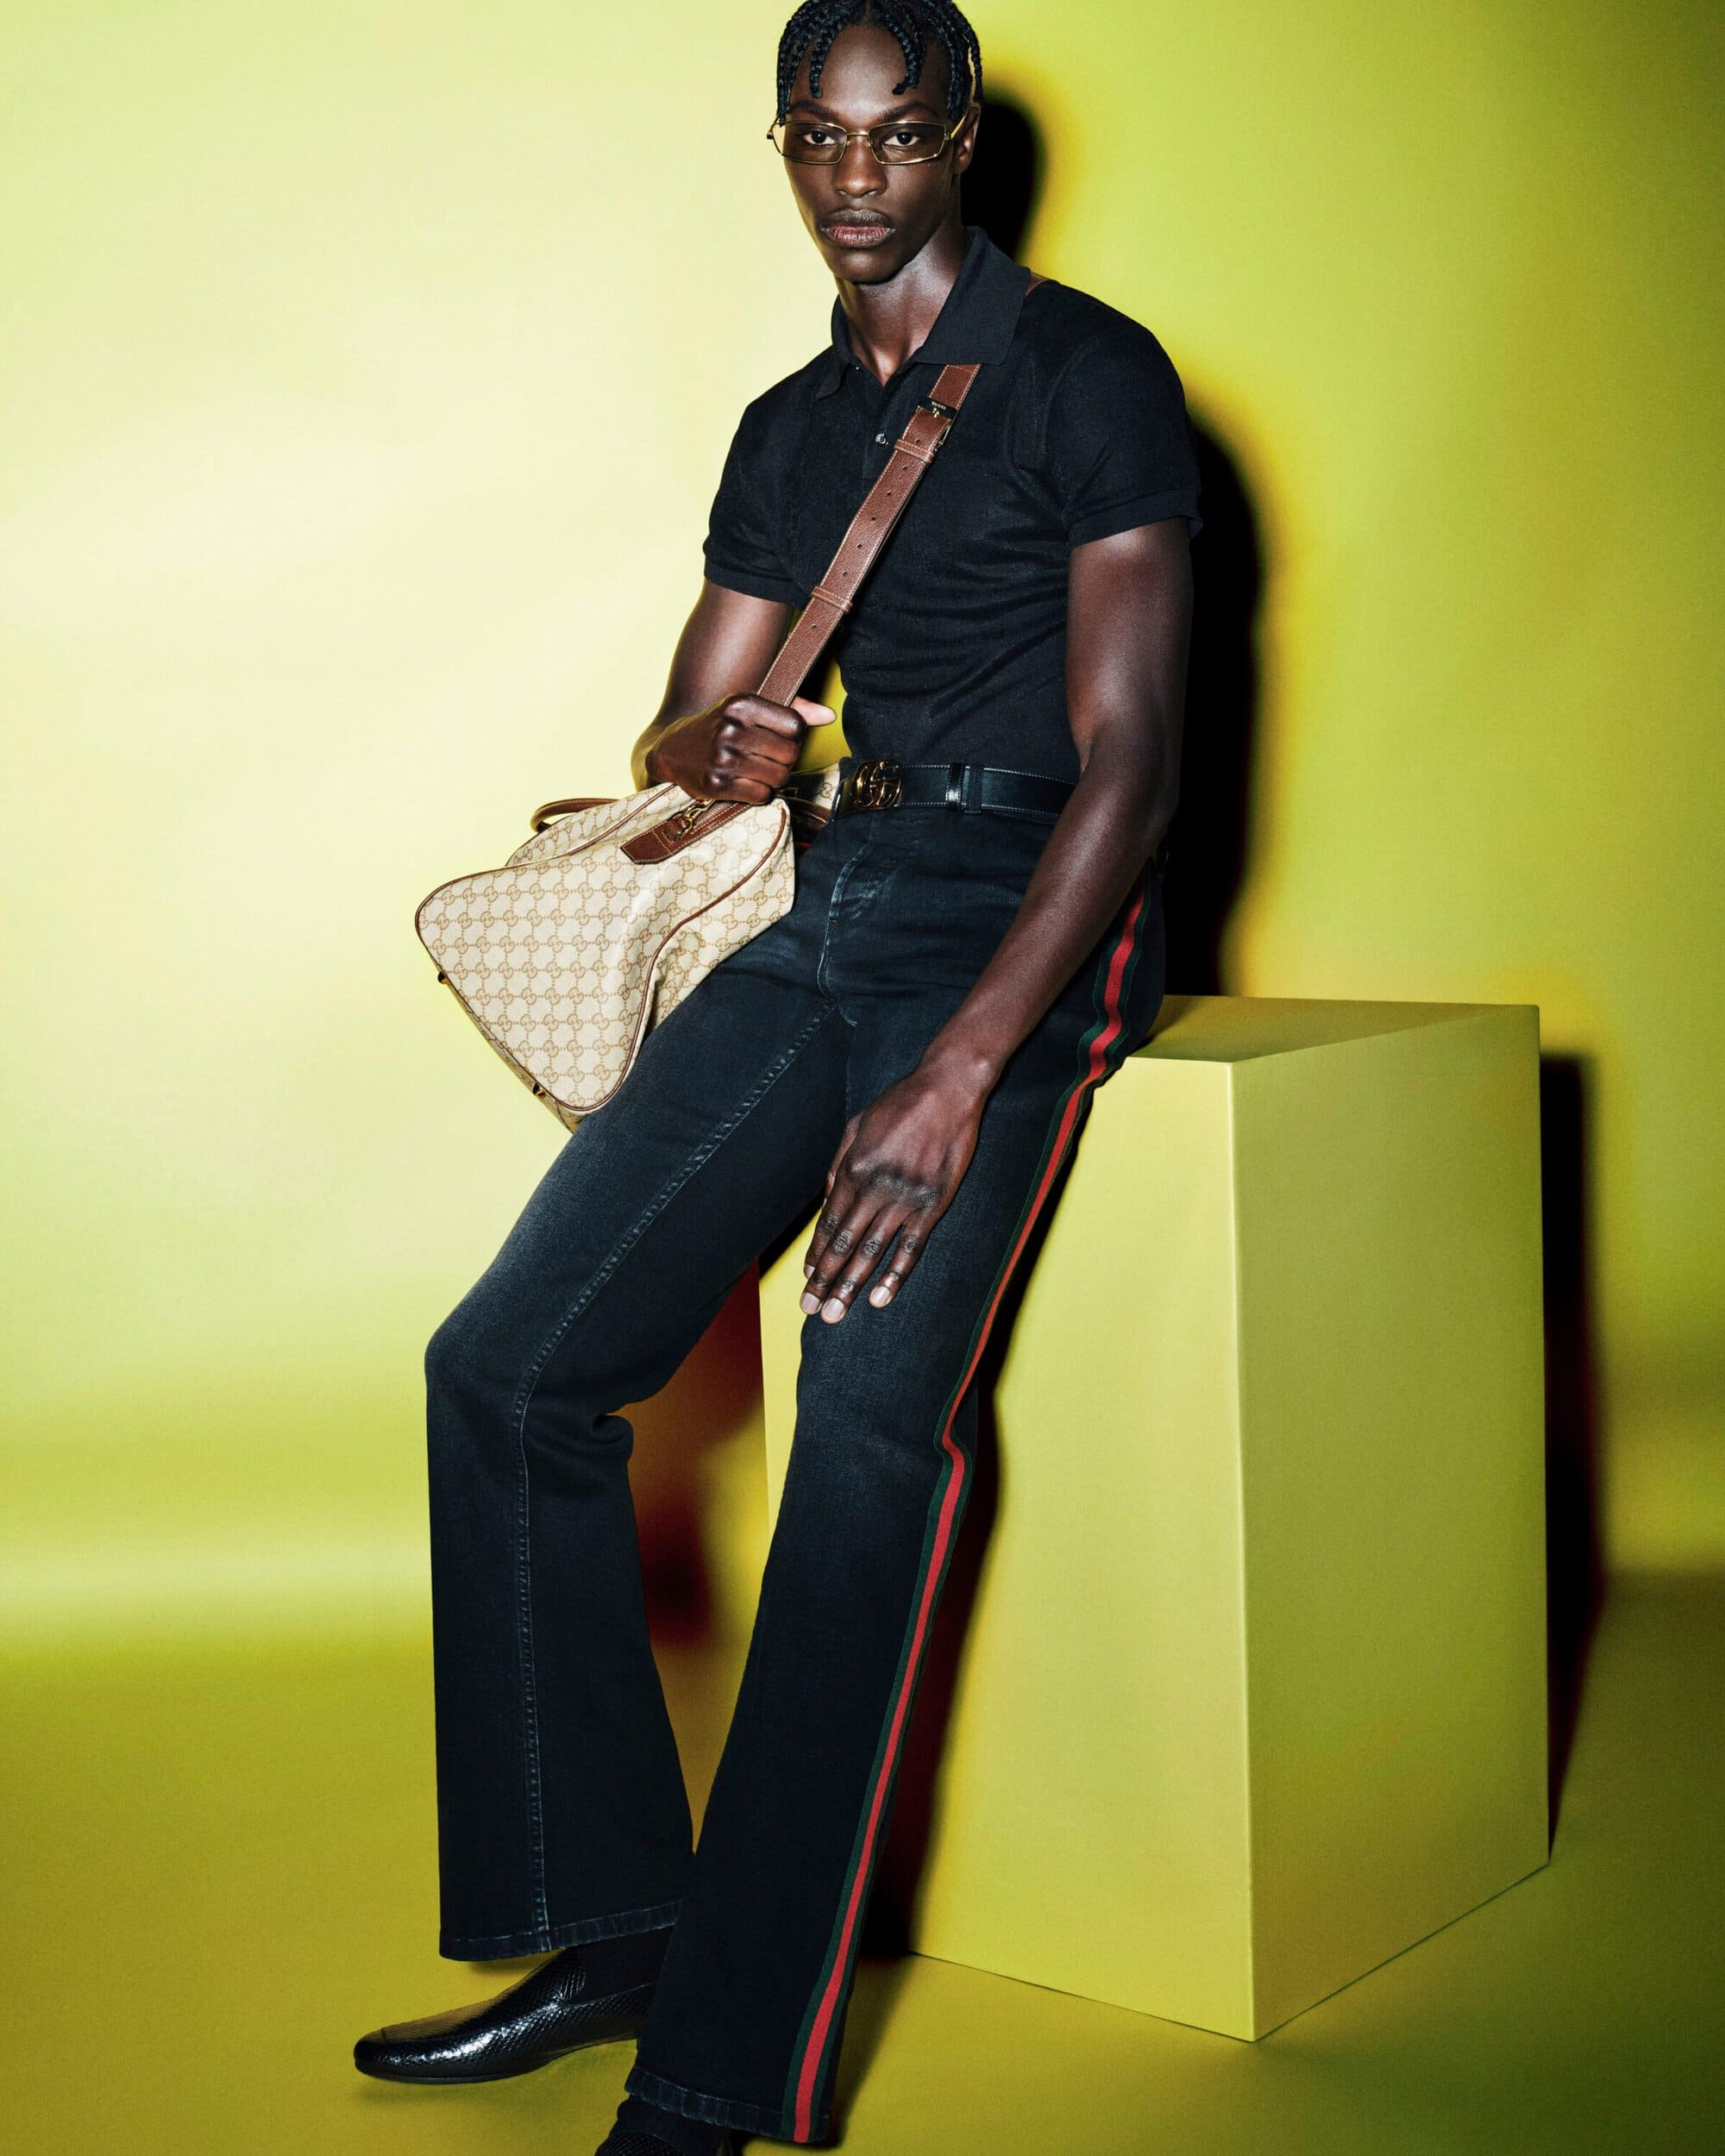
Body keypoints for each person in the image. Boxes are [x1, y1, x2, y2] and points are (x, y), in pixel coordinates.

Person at [353, 3, 1201, 2148]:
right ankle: (613, 1923)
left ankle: (724, 2061)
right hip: (820, 898)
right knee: (509, 1366)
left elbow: (1135, 759)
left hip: (1018, 907)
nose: (855, 179)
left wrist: (963, 1068)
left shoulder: (1087, 374)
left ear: (961, 138)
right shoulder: (787, 427)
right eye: (818, 140)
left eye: (895, 136)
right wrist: (711, 747)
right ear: (783, 147)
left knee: (860, 1429)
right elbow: (682, 727)